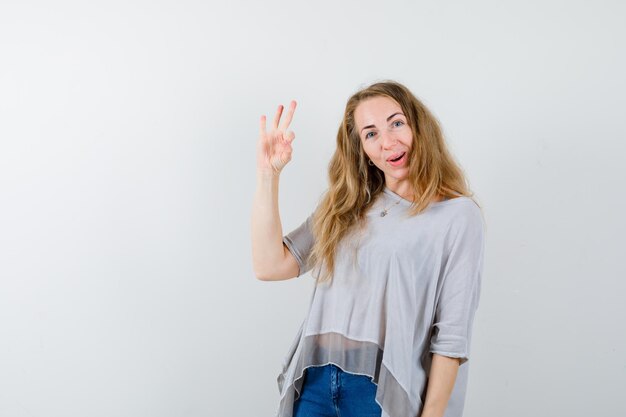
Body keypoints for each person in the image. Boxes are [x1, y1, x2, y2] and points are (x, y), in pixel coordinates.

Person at [251, 80, 485, 417]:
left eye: (396, 123)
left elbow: (452, 336)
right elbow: (269, 265)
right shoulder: (346, 206)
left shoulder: (456, 215)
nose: (388, 141)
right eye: (371, 133)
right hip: (315, 382)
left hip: (379, 394)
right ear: (362, 149)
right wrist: (267, 174)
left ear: (418, 126)